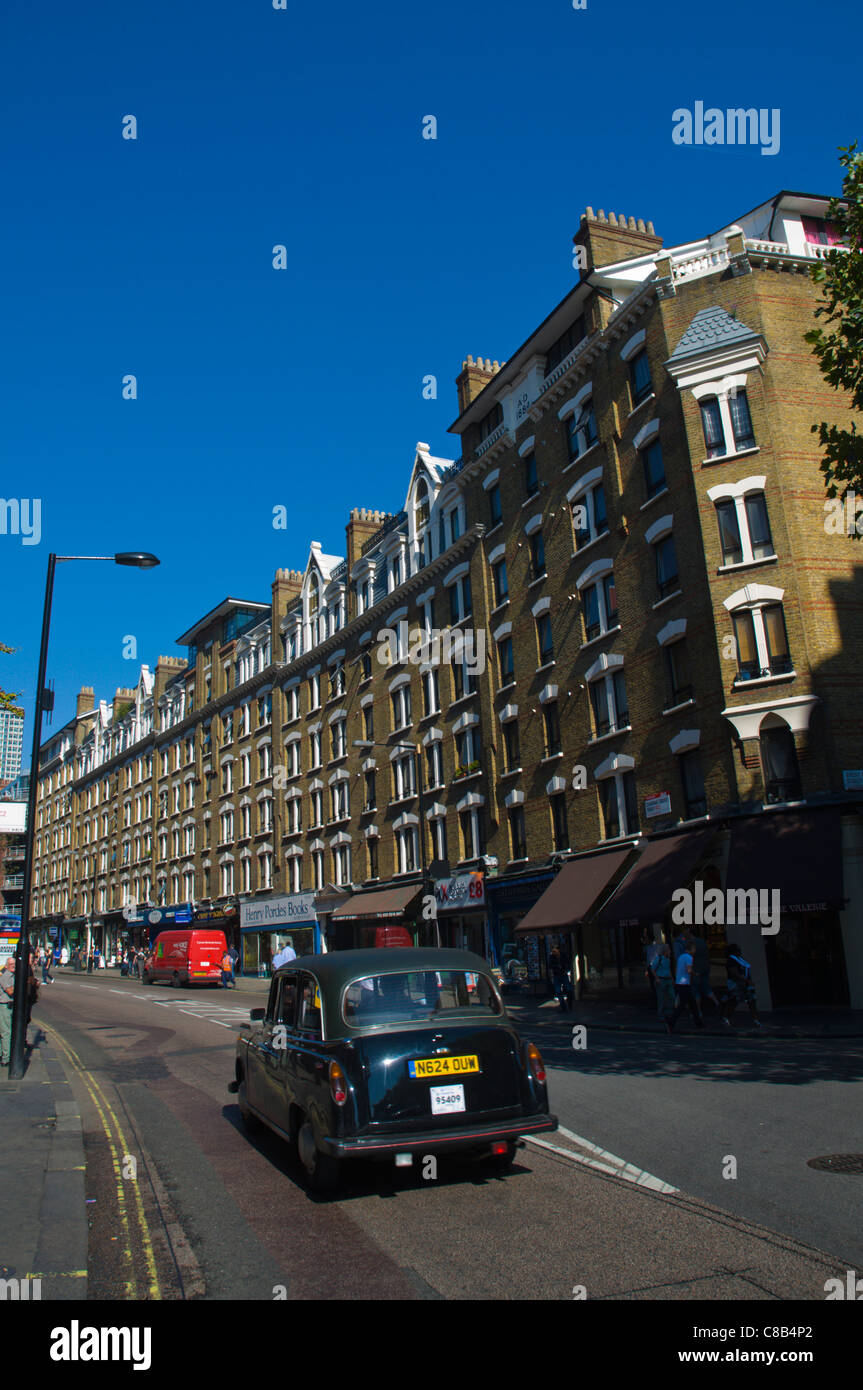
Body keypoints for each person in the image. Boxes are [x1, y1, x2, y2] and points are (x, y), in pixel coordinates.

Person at [720, 944, 761, 1028]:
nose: (740, 951)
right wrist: (746, 980)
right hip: (736, 984)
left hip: (745, 983)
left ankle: (755, 1019)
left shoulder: (740, 959)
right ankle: (726, 1017)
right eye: (738, 949)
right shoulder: (731, 961)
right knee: (734, 1001)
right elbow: (734, 973)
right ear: (734, 951)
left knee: (751, 1000)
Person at [670, 934, 704, 1031]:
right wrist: (695, 974)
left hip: (680, 983)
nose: (695, 951)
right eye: (694, 949)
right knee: (682, 1005)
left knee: (692, 1004)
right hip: (685, 984)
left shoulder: (681, 957)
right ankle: (671, 1021)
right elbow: (689, 970)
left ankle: (699, 1023)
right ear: (691, 949)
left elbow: (677, 969)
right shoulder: (689, 958)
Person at [689, 932, 718, 1014]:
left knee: (695, 991)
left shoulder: (691, 944)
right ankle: (717, 1003)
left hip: (695, 969)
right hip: (704, 967)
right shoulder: (702, 942)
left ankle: (698, 1011)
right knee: (706, 988)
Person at [653, 943, 676, 1032]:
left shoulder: (668, 959)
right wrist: (657, 978)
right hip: (661, 980)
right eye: (669, 950)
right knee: (661, 998)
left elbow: (669, 969)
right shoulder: (659, 958)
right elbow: (652, 969)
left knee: (671, 995)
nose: (670, 952)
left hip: (668, 979)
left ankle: (669, 1012)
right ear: (665, 951)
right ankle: (661, 1015)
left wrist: (672, 979)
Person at [0, 955, 16, 1064]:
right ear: (6, 966)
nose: (13, 966)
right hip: (4, 1006)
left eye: (14, 964)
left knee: (7, 1032)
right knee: (6, 1032)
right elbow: (10, 991)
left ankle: (3, 1055)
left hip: (10, 1005)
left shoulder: (12, 975)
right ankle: (6, 1059)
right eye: (11, 964)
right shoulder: (6, 976)